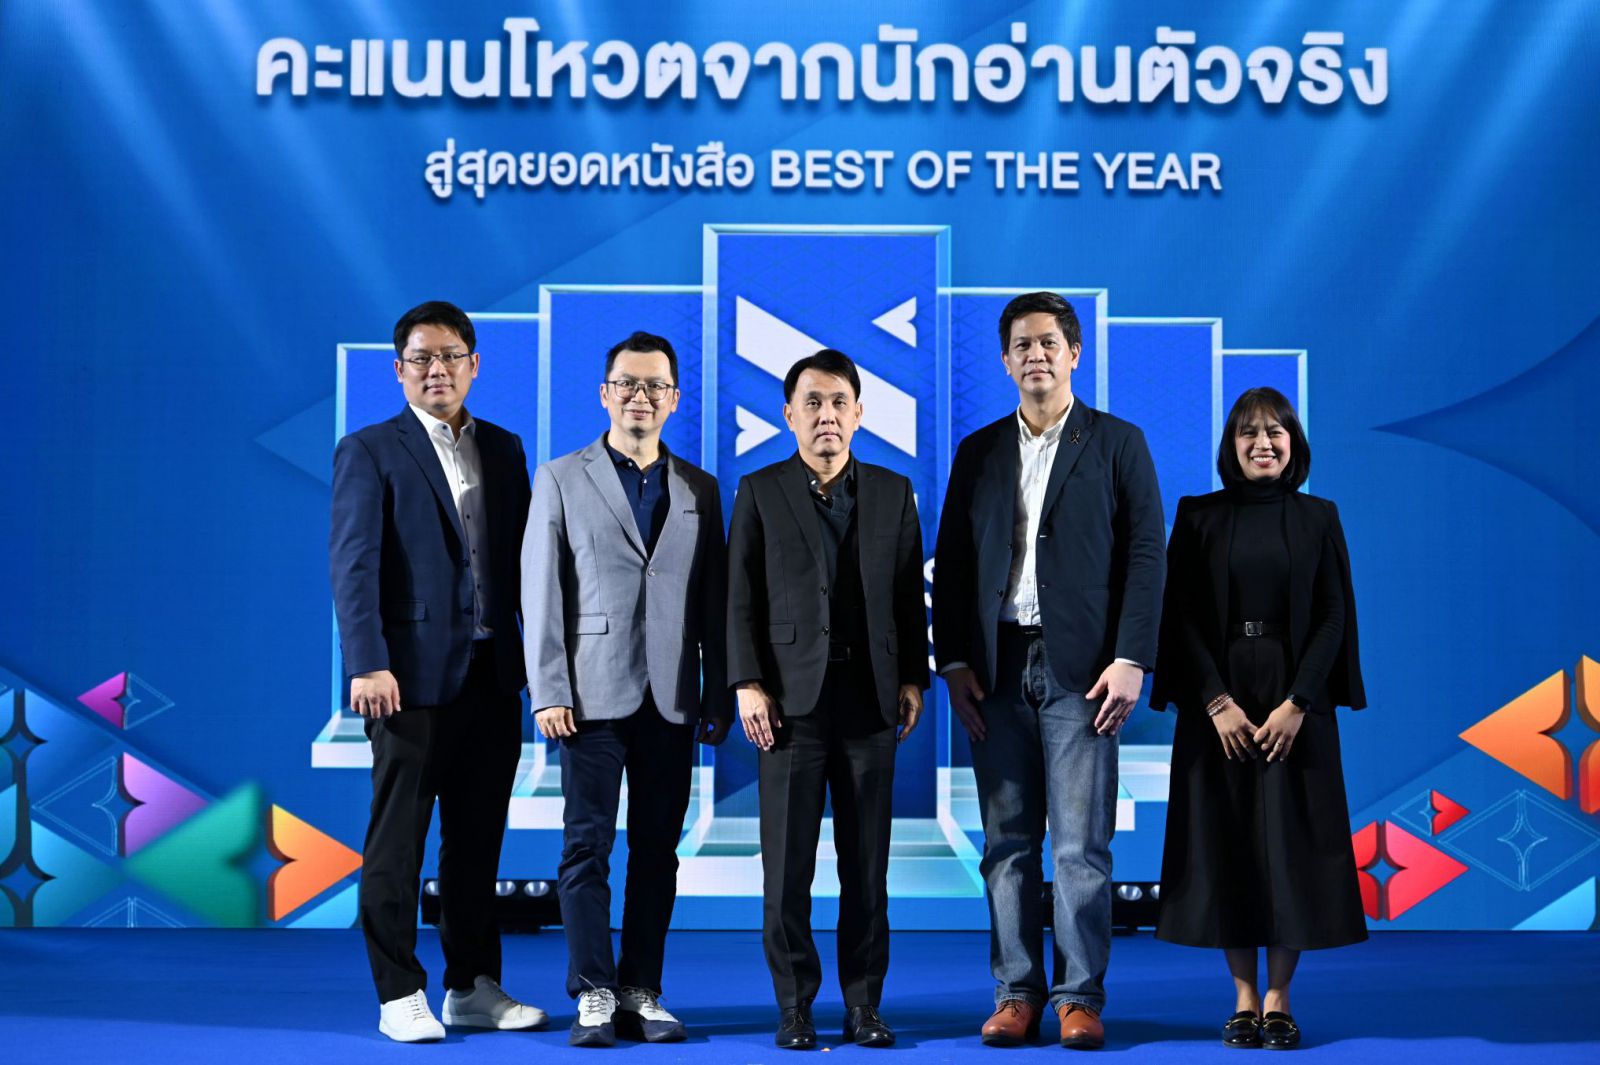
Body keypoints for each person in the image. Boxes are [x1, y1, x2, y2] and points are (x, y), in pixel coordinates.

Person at [932, 291, 1165, 1049]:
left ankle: (1078, 998)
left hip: (1086, 671)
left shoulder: (1118, 443)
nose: (1036, 354)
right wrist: (953, 661)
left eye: (1049, 343)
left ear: (1074, 354)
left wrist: (1131, 657)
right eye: (1022, 345)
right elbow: (953, 562)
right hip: (995, 668)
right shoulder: (979, 451)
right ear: (1006, 361)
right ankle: (1016, 993)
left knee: (1079, 847)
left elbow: (1145, 556)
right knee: (1007, 844)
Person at [330, 300, 545, 1043]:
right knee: (398, 844)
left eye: (450, 356)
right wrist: (368, 662)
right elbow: (353, 566)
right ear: (399, 370)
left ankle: (471, 985)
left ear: (474, 364)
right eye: (421, 358)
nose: (437, 370)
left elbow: (526, 566)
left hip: (493, 673)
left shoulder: (506, 449)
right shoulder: (369, 450)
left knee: (477, 842)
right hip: (406, 680)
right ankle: (398, 991)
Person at [522, 331, 731, 1047]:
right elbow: (541, 593)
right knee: (586, 847)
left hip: (671, 697)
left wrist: (716, 693)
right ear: (605, 393)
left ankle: (642, 989)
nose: (641, 397)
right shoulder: (560, 477)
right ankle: (593, 990)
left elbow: (713, 599)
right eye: (628, 384)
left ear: (674, 399)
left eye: (655, 386)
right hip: (588, 695)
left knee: (657, 851)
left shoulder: (700, 488)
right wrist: (549, 687)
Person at [1149, 386, 1366, 1051]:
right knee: (1229, 842)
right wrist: (1215, 702)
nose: (1262, 443)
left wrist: (1299, 703)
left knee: (1291, 846)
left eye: (1275, 431)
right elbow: (1179, 615)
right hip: (1220, 701)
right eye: (1248, 432)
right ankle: (1243, 998)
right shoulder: (1198, 515)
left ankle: (1280, 1000)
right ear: (1231, 445)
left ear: (1293, 443)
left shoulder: (1319, 517)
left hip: (1295, 699)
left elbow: (1333, 614)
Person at [726, 349, 930, 1051]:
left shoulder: (894, 492)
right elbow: (739, 596)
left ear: (860, 413)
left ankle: (864, 1005)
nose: (827, 415)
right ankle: (795, 1007)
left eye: (839, 401)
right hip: (789, 705)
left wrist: (913, 677)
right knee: (787, 871)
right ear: (789, 415)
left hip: (870, 701)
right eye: (812, 402)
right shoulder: (759, 490)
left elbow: (908, 595)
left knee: (866, 869)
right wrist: (747, 682)